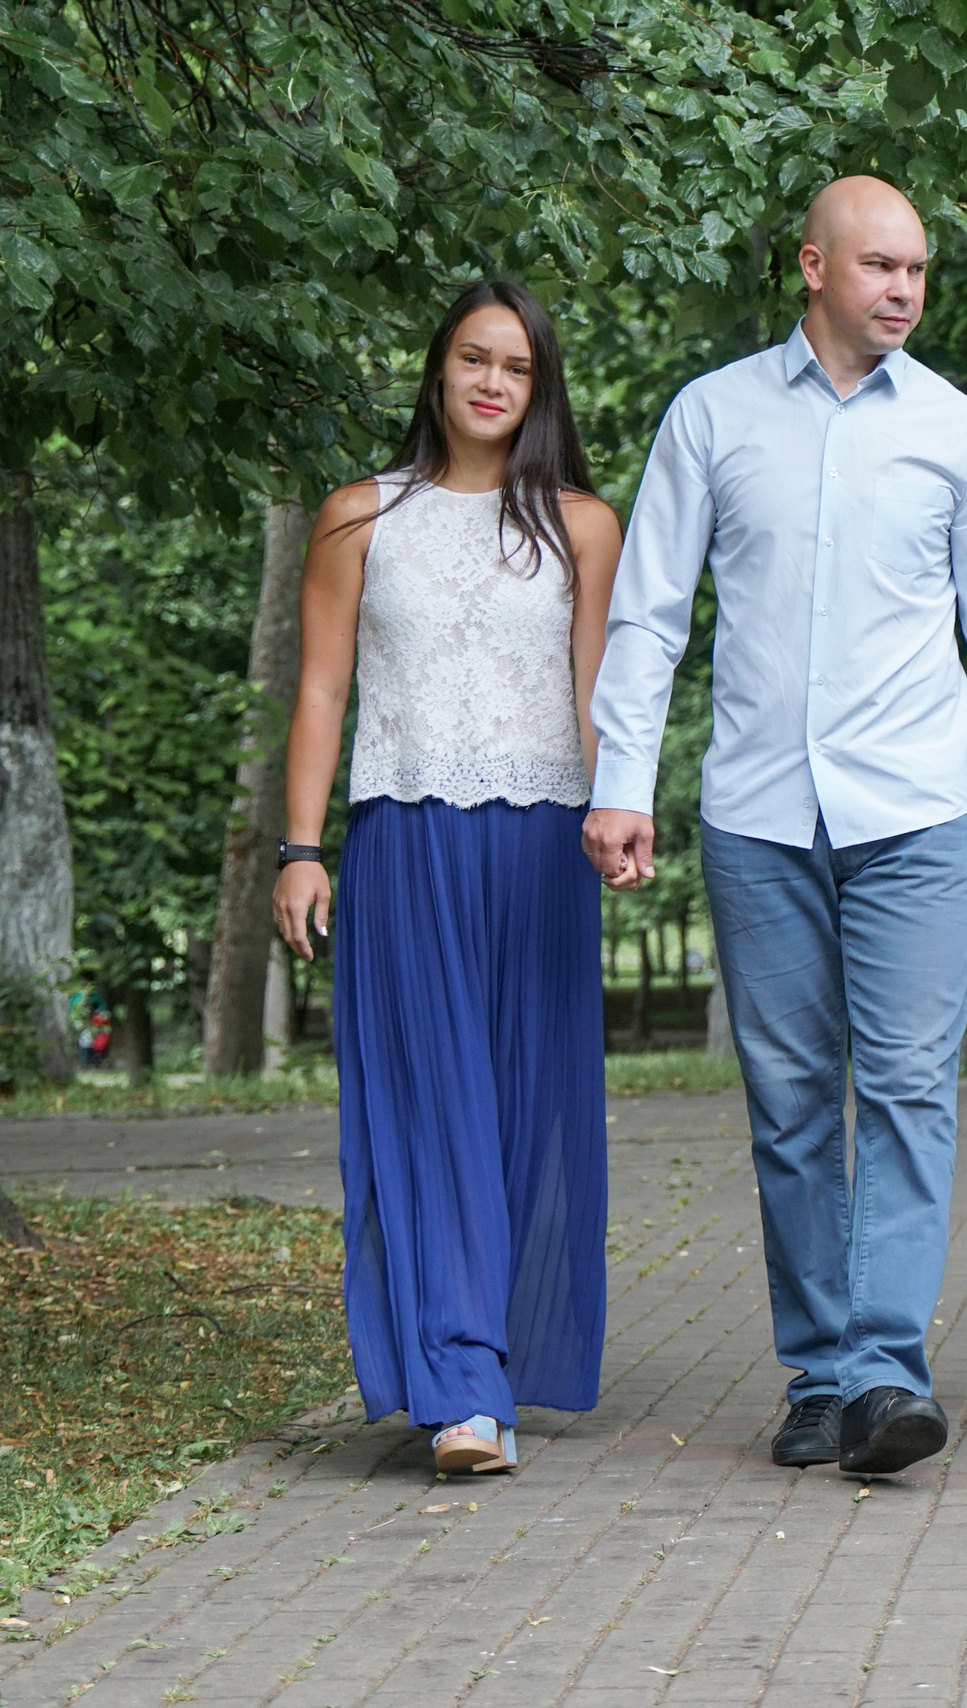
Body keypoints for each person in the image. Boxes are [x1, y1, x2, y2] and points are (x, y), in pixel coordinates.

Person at [582, 176, 967, 1479]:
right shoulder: (711, 416)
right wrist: (621, 780)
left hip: (917, 817)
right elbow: (651, 615)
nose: (903, 289)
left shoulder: (959, 433)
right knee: (793, 1106)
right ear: (811, 265)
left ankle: (881, 1371)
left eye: (918, 270)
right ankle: (818, 1374)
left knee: (913, 1091)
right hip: (760, 817)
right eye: (879, 264)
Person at [273, 279, 623, 1475]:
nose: (490, 381)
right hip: (403, 839)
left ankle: (490, 1356)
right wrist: (302, 847)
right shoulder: (358, 517)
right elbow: (321, 690)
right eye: (472, 358)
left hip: (542, 845)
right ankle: (463, 1385)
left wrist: (622, 813)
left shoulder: (583, 524)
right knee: (429, 1105)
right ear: (436, 372)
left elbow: (594, 699)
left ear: (539, 388)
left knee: (523, 1106)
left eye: (515, 367)